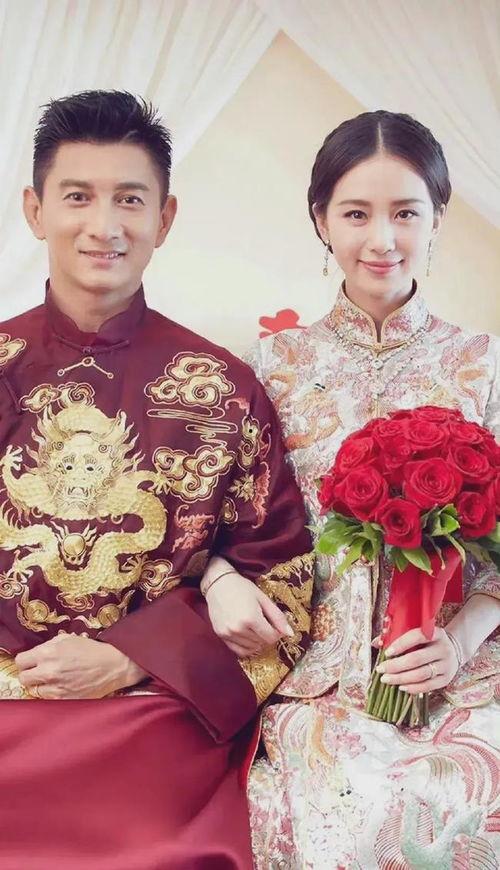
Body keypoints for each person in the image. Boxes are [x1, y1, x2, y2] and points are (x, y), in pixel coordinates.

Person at [0, 90, 314, 870]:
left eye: (130, 200)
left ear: (165, 219)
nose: (104, 226)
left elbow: (283, 583)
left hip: (147, 716)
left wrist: (132, 656)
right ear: (36, 211)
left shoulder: (223, 389)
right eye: (78, 196)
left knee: (159, 852)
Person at [203, 111, 500, 868]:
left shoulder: (484, 364)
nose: (383, 239)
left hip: (462, 666)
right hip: (318, 674)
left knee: (467, 797)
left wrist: (462, 639)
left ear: (438, 218)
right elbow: (212, 523)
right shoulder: (270, 366)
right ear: (320, 220)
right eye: (357, 214)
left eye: (406, 213)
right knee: (347, 812)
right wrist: (219, 581)